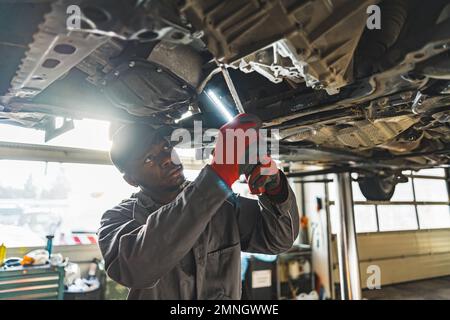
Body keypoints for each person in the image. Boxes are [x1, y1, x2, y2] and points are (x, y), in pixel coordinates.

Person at [97, 113, 300, 299]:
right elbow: (137, 269)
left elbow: (279, 240)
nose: (167, 158)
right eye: (149, 159)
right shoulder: (117, 220)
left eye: (166, 147)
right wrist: (218, 174)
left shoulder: (222, 204)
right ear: (131, 179)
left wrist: (275, 190)